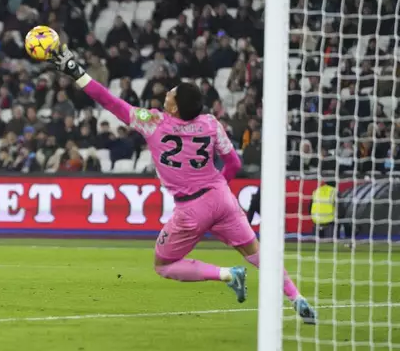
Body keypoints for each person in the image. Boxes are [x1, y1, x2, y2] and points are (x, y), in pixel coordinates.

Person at [51, 45, 317, 324]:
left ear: (174, 106)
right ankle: (296, 297)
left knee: (164, 265)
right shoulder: (211, 123)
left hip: (191, 210)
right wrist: (218, 188)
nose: (167, 92)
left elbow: (110, 102)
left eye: (171, 92)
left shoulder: (153, 122)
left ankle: (226, 274)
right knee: (256, 254)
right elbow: (234, 164)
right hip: (222, 199)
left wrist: (75, 72)